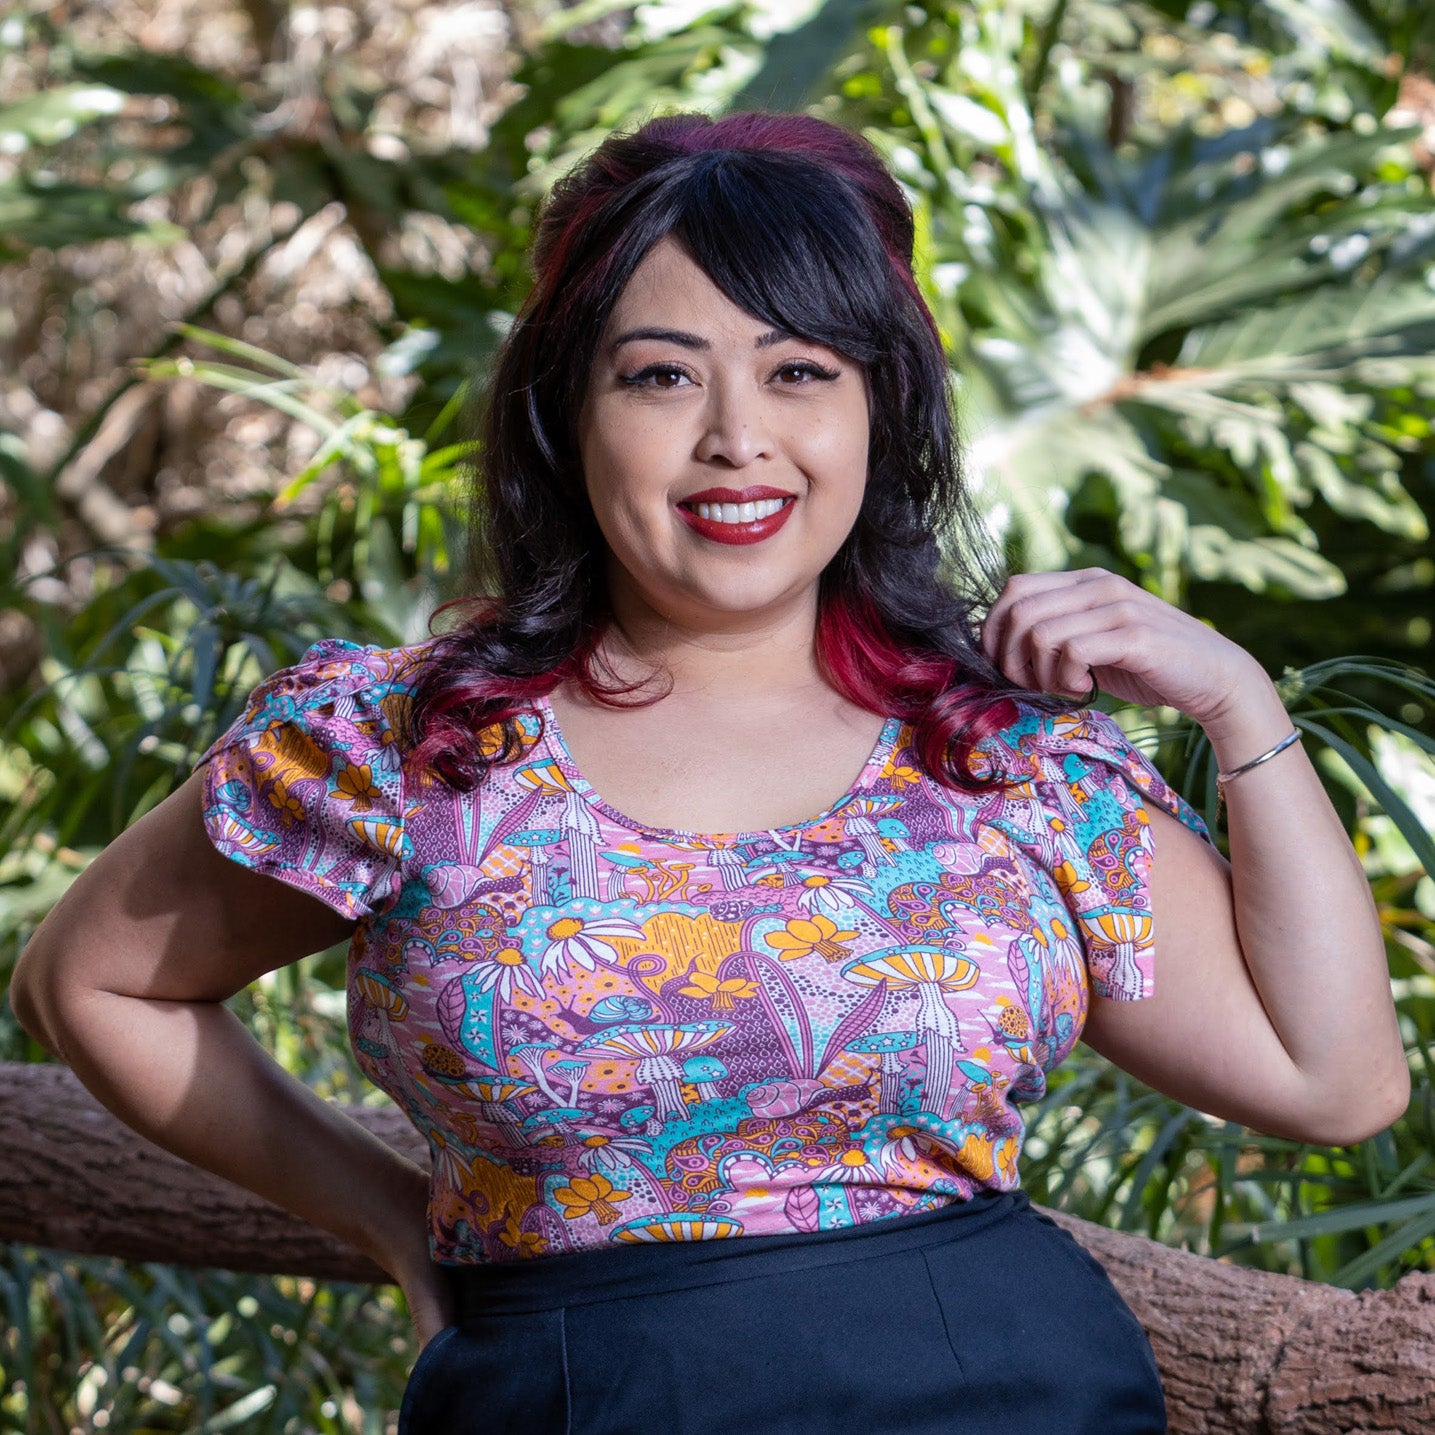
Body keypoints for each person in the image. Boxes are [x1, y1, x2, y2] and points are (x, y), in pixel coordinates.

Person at [11, 109, 1407, 1435]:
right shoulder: (405, 742)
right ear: (568, 413)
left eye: (802, 371)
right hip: (568, 1391)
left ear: (880, 409)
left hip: (1007, 1389)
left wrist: (1234, 701)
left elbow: (1331, 1082)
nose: (738, 436)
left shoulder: (1010, 758)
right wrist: (385, 1218)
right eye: (663, 373)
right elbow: (98, 981)